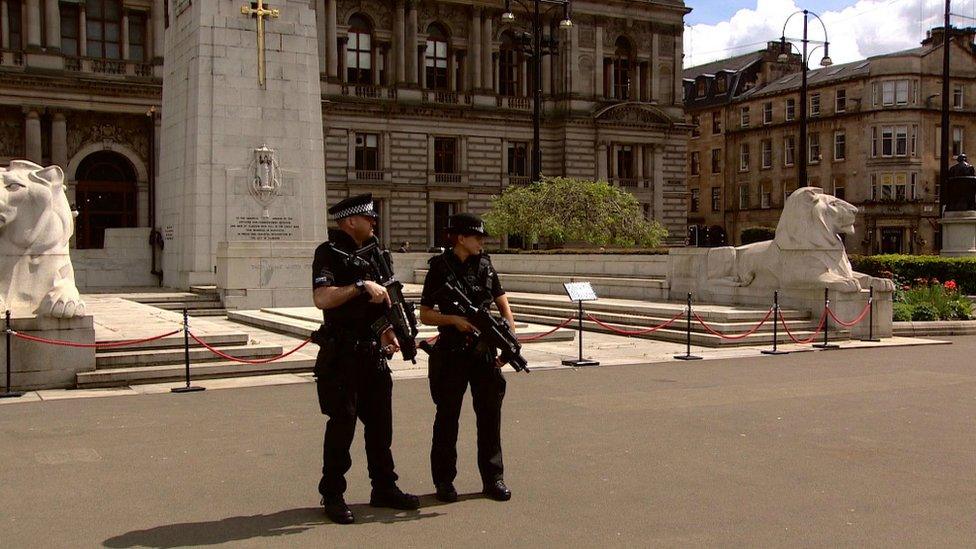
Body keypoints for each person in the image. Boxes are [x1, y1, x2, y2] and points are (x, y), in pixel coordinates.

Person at [311, 193, 419, 524]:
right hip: (342, 357)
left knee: (380, 429)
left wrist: (389, 330)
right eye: (369, 218)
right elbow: (322, 298)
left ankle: (384, 488)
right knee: (341, 429)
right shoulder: (328, 253)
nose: (374, 222)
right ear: (349, 222)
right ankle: (333, 495)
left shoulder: (378, 255)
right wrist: (360, 285)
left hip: (372, 355)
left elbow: (381, 302)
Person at [418, 213, 516, 503]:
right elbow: (425, 313)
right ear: (461, 238)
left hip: (483, 352)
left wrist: (508, 330)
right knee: (447, 419)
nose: (482, 243)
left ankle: (493, 478)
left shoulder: (485, 265)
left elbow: (501, 299)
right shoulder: (439, 267)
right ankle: (444, 482)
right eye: (477, 237)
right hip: (451, 353)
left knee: (489, 417)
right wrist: (453, 320)